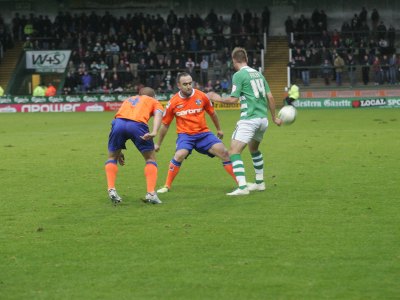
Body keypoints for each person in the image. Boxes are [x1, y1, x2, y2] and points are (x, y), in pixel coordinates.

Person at [207, 47, 282, 196]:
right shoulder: (259, 74)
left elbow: (233, 99)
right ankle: (260, 183)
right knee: (254, 149)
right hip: (262, 120)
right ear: (246, 59)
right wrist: (274, 117)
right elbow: (271, 97)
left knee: (233, 151)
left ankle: (242, 187)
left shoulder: (239, 75)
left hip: (249, 119)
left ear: (235, 61)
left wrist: (217, 98)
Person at [155, 72, 236, 194]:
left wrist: (219, 129)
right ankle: (167, 186)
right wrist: (158, 144)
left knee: (224, 152)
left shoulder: (201, 96)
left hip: (204, 134)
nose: (188, 86)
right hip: (185, 136)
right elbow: (165, 125)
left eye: (190, 83)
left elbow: (212, 113)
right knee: (179, 155)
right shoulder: (173, 102)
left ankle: (240, 184)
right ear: (179, 85)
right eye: (185, 84)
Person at [105, 87, 164, 204]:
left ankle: (111, 189)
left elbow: (116, 121)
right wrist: (154, 131)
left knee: (112, 157)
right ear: (154, 96)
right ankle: (151, 193)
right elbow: (158, 115)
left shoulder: (128, 99)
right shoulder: (154, 101)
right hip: (137, 125)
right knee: (150, 158)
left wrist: (118, 150)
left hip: (118, 124)